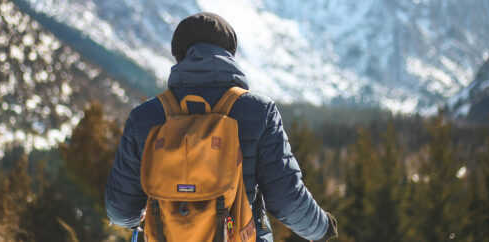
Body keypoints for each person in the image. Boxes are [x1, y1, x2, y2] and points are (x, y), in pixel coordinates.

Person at [105, 12, 337, 241]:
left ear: (180, 55)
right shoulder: (259, 111)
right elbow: (285, 200)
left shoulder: (145, 116)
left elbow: (120, 211)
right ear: (229, 54)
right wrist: (322, 227)